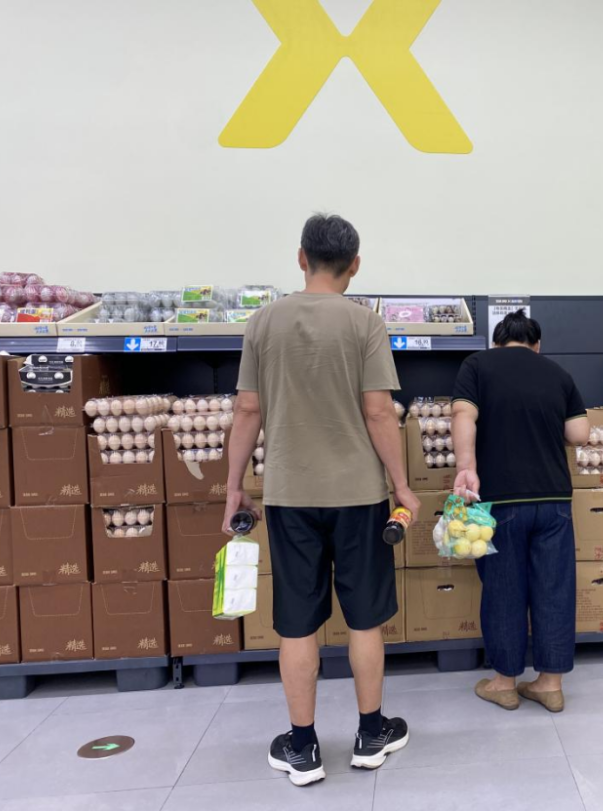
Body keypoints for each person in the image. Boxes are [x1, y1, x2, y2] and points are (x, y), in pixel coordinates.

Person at [222, 214, 420, 786]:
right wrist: (402, 485)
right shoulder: (365, 323)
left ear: (301, 258)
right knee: (365, 619)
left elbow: (248, 410)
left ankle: (303, 745)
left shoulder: (263, 322)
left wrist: (234, 486)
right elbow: (378, 412)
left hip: (290, 495)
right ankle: (371, 733)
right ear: (355, 265)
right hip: (359, 495)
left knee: (297, 623)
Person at [451, 310, 589, 712]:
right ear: (536, 345)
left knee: (504, 589)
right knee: (554, 588)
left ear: (496, 342)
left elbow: (462, 414)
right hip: (554, 500)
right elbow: (579, 433)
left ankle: (504, 683)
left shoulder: (477, 365)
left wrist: (466, 468)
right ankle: (550, 684)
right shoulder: (557, 373)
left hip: (501, 499)